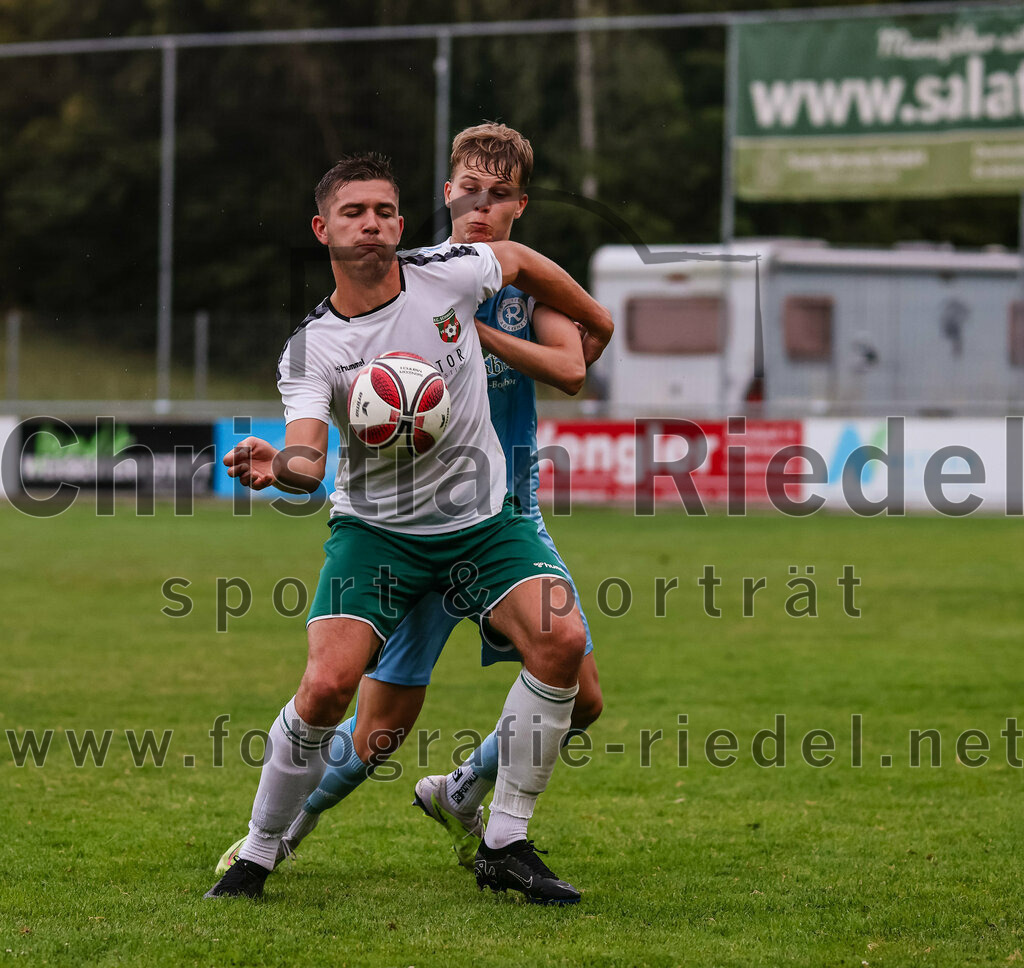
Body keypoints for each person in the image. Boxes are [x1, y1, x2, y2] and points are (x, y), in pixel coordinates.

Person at [204, 151, 613, 905]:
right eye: (355, 212)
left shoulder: (449, 272)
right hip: (379, 531)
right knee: (330, 689)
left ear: (402, 222)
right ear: (323, 229)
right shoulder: (313, 347)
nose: (373, 224)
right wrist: (281, 466)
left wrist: (595, 316)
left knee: (560, 645)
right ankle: (260, 852)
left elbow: (517, 259)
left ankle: (504, 840)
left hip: (484, 521)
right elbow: (306, 452)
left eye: (386, 211)